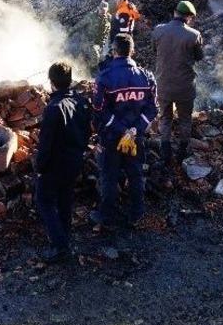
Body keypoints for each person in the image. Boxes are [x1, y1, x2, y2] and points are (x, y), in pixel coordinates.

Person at [91, 34, 157, 226]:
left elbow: (98, 109)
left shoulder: (104, 77)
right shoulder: (146, 76)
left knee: (109, 175)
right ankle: (137, 213)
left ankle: (106, 215)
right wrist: (134, 130)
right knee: (135, 173)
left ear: (114, 51)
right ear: (132, 51)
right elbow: (153, 108)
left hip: (112, 136)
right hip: (135, 137)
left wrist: (122, 130)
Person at [33, 61, 91, 263]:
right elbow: (87, 132)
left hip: (55, 165)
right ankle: (65, 234)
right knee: (65, 199)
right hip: (74, 161)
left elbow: (45, 144)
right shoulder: (81, 101)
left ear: (52, 83)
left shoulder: (54, 108)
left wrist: (40, 167)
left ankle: (60, 245)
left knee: (44, 201)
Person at [152, 0, 204, 164]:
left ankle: (165, 152)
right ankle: (183, 151)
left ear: (175, 12)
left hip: (163, 84)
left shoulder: (158, 30)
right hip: (185, 87)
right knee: (185, 119)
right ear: (188, 17)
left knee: (165, 118)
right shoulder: (194, 35)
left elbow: (156, 50)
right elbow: (199, 57)